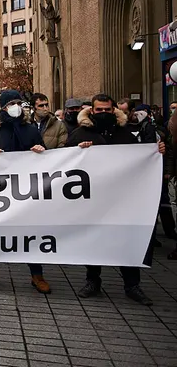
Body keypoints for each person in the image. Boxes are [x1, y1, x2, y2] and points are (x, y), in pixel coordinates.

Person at [68, 94, 160, 306]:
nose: (103, 113)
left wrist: (156, 153)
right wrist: (78, 152)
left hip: (121, 200)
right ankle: (92, 281)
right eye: (98, 110)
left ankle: (132, 285)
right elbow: (65, 163)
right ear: (91, 111)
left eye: (107, 110)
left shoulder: (126, 133)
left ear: (114, 110)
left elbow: (141, 160)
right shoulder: (79, 134)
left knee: (126, 239)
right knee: (93, 241)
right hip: (93, 200)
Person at [0, 90, 50, 294]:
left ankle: (37, 275)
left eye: (19, 102)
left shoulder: (30, 128)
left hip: (25, 191)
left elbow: (44, 151)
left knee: (28, 233)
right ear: (4, 107)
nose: (16, 106)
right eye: (11, 103)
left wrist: (40, 151)